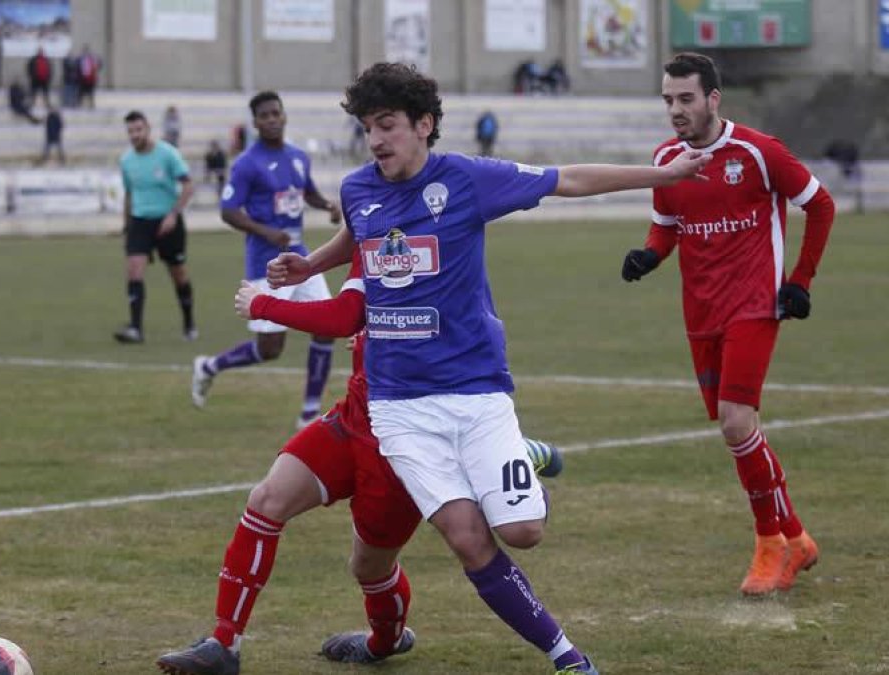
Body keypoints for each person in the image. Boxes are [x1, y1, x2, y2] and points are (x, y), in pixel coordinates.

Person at [265, 62, 710, 674]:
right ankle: (570, 659)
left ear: (424, 125)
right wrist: (309, 267)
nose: (376, 140)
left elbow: (568, 179)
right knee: (467, 537)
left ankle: (520, 458)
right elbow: (356, 238)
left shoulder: (469, 180)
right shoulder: (358, 188)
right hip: (399, 406)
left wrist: (667, 172)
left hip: (476, 391)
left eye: (387, 125)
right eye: (368, 127)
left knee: (523, 530)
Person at [157, 254, 565, 675]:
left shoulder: (438, 247)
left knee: (369, 566)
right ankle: (224, 644)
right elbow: (354, 305)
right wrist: (320, 275)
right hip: (351, 418)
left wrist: (264, 305)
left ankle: (383, 641)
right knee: (266, 500)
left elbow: (346, 317)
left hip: (401, 446)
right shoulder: (373, 233)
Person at [619, 52, 834, 597]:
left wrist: (800, 280)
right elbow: (666, 227)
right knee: (740, 434)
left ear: (714, 99)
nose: (675, 109)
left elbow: (822, 204)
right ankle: (797, 537)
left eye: (686, 98)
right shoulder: (667, 159)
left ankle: (770, 545)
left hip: (755, 306)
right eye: (668, 99)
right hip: (700, 311)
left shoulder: (758, 153)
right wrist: (649, 255)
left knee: (738, 423)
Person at [190, 91, 342, 429]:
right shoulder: (247, 163)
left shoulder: (299, 157)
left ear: (284, 116)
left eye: (276, 113)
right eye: (264, 115)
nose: (271, 119)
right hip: (266, 265)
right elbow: (229, 211)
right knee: (271, 347)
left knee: (327, 327)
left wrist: (327, 205)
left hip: (302, 260)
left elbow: (308, 192)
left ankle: (309, 414)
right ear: (255, 122)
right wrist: (267, 232)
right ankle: (210, 367)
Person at [114, 111, 196, 344]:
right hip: (140, 221)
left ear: (148, 128)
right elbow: (129, 193)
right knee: (134, 270)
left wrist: (173, 214)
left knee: (178, 273)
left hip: (167, 221)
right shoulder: (126, 160)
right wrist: (126, 225)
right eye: (130, 131)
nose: (135, 135)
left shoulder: (168, 154)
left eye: (138, 129)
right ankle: (135, 329)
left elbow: (188, 185)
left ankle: (189, 323)